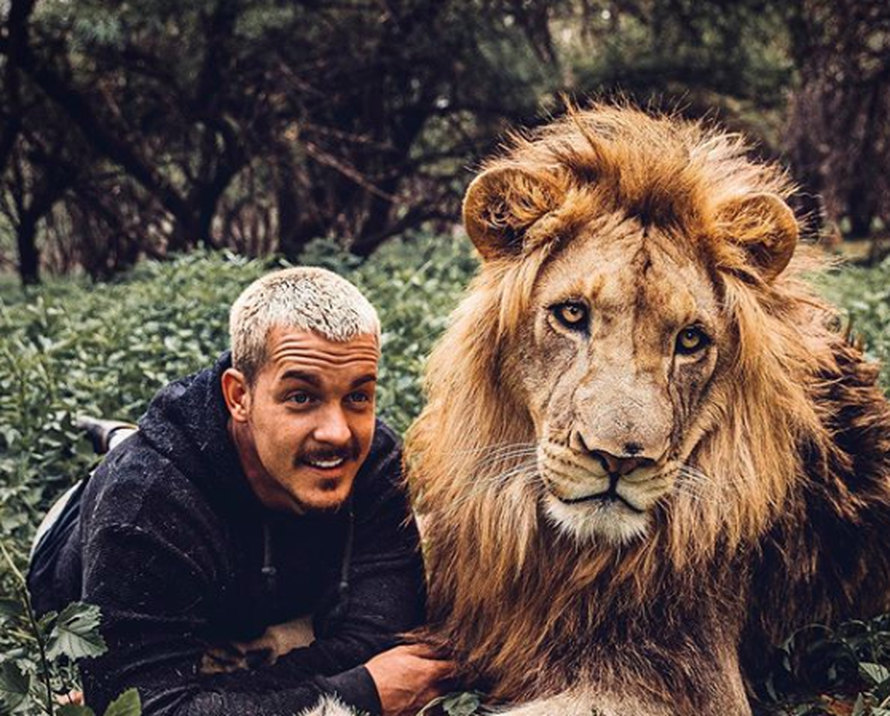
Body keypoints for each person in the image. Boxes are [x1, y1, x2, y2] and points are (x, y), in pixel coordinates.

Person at [27, 267, 452, 716]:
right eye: (301, 397)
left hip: (257, 594)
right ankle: (120, 442)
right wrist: (358, 692)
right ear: (238, 396)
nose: (337, 432)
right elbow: (145, 706)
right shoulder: (147, 503)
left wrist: (215, 695)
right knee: (135, 466)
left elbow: (385, 635)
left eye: (358, 396)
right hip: (65, 537)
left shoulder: (375, 457)